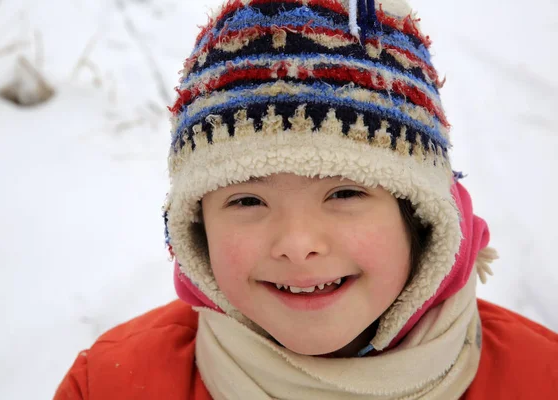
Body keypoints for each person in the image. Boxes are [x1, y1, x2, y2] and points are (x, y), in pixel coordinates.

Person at [54, 0, 558, 398]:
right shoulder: (109, 385)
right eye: (247, 200)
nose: (297, 244)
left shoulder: (541, 379)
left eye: (344, 191)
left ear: (420, 217)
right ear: (194, 229)